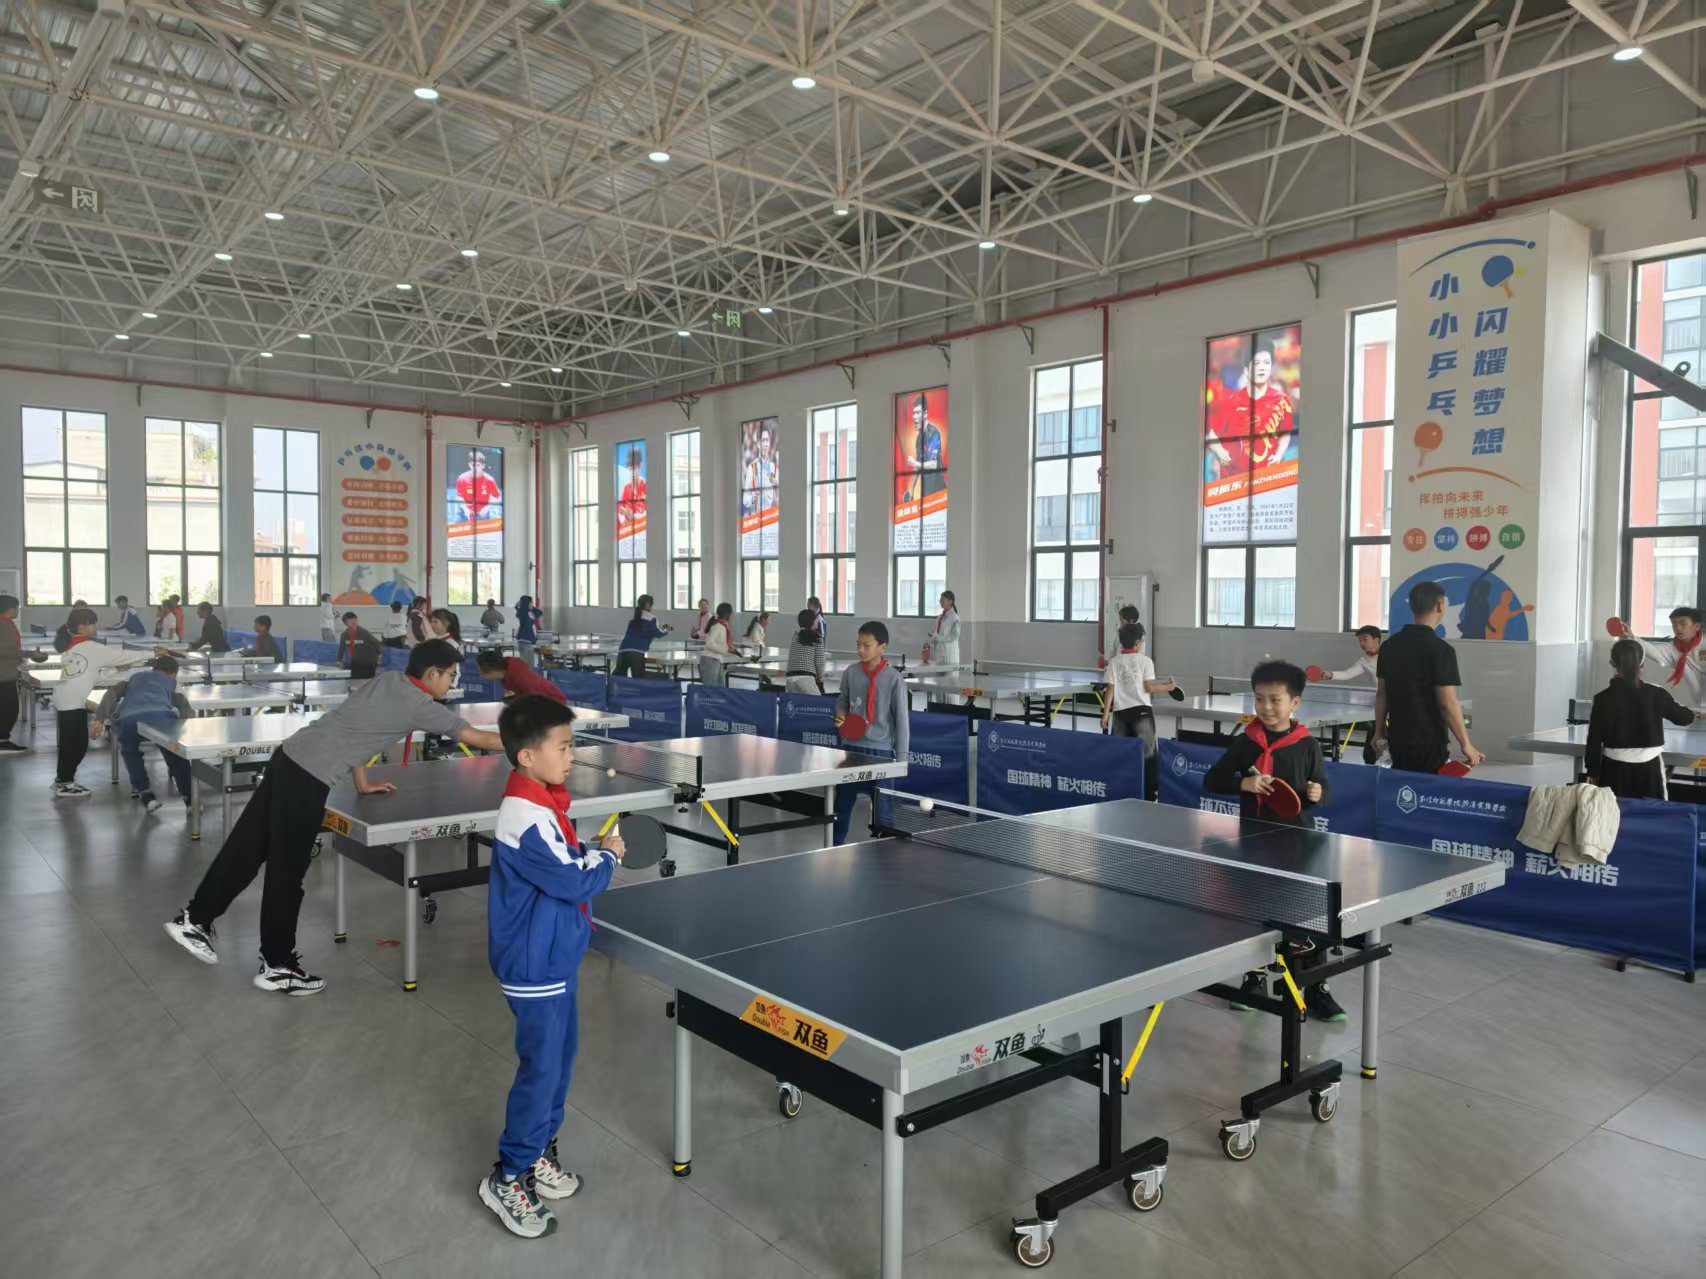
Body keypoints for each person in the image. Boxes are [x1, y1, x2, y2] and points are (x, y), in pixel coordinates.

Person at [163, 639, 503, 994]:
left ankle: (194, 919)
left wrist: (362, 782)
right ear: (432, 673)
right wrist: (527, 744)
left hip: (288, 758)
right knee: (287, 871)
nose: (451, 682)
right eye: (450, 675)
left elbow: (357, 729)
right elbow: (477, 737)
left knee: (247, 848)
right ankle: (277, 965)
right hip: (308, 777)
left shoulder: (387, 681)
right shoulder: (419, 704)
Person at [479, 695, 623, 1239]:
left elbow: (563, 857)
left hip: (555, 960)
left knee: (559, 1062)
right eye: (563, 747)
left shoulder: (544, 804)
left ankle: (538, 1150)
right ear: (527, 757)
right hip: (533, 966)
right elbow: (573, 880)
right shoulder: (525, 815)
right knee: (541, 1070)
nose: (571, 755)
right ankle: (509, 1175)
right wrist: (608, 856)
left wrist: (589, 846)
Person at [1203, 660, 1342, 1022]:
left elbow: (1323, 786)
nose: (1266, 707)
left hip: (1298, 844)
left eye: (1275, 700)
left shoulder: (1307, 745)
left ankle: (1315, 987)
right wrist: (1243, 783)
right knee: (1257, 913)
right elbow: (1212, 780)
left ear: (1295, 702)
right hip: (1254, 843)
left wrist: (1317, 792)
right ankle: (1255, 978)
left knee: (1305, 917)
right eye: (1259, 699)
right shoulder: (1246, 743)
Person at [1375, 581, 1484, 774]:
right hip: (1429, 742)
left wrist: (1378, 732)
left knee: (1403, 786)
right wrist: (1466, 744)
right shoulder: (1442, 650)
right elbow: (1447, 702)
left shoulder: (1388, 647)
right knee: (1427, 788)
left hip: (1398, 739)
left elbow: (1382, 694)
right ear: (1440, 606)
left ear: (1412, 607)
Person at [50, 607, 153, 799]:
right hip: (72, 700)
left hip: (67, 698)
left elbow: (94, 676)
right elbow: (121, 655)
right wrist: (152, 653)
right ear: (81, 627)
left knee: (72, 743)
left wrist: (116, 670)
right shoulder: (89, 647)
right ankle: (64, 783)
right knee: (75, 745)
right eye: (92, 624)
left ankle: (62, 780)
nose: (95, 627)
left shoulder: (73, 647)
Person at [1586, 638, 1696, 799]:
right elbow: (1684, 718)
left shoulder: (1602, 699)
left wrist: (1592, 771)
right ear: (1642, 664)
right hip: (1650, 770)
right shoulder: (1656, 694)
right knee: (1653, 812)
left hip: (1613, 770)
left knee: (1614, 812)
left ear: (1613, 663)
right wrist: (1692, 713)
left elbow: (1594, 740)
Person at [831, 622, 909, 845]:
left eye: (866, 645)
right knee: (842, 804)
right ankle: (835, 845)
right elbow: (842, 701)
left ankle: (885, 848)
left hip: (881, 753)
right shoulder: (851, 672)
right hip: (851, 751)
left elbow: (902, 721)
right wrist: (840, 715)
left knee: (883, 807)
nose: (860, 650)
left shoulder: (894, 679)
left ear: (882, 647)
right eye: (858, 645)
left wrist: (901, 760)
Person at [94, 655, 193, 811]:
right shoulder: (173, 684)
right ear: (175, 673)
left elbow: (112, 694)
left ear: (153, 668)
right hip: (161, 717)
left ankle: (145, 793)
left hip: (129, 718)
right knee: (176, 754)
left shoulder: (134, 677)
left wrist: (99, 719)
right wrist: (183, 733)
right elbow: (185, 708)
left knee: (130, 752)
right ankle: (190, 799)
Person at [1100, 623, 1175, 800]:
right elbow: (1149, 687)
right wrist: (1169, 687)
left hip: (1120, 714)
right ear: (1138, 643)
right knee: (1148, 755)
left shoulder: (1114, 662)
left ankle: (1121, 792)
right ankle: (1149, 795)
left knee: (1121, 754)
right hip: (1142, 714)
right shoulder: (1145, 661)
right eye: (1142, 640)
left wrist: (1105, 714)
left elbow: (1110, 689)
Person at [1206, 341, 1293, 481]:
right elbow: (1213, 436)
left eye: (1266, 363)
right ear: (1247, 369)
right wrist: (1220, 453)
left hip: (1269, 476)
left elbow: (1286, 432)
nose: (1262, 368)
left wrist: (1278, 455)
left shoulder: (1281, 399)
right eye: (1257, 363)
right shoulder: (1232, 401)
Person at [0, 594, 49, 757]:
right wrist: (30, 654)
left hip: (6, 672)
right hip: (3, 675)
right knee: (9, 709)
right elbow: (6, 650)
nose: (18, 610)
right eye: (17, 608)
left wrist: (22, 658)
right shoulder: (4, 624)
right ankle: (2, 741)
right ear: (11, 608)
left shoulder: (5, 623)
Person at [1627, 607, 1706, 707]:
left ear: (1697, 627)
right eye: (1674, 624)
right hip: (1696, 705)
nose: (1678, 628)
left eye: (1683, 624)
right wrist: (1632, 636)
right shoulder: (1672, 649)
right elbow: (1654, 651)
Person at [477, 649, 567, 704]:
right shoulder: (508, 674)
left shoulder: (521, 678)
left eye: (481, 670)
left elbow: (535, 701)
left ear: (492, 669)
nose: (480, 673)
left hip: (555, 703)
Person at [614, 595, 671, 678]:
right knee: (639, 677)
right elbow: (658, 633)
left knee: (619, 677)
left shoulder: (634, 618)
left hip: (623, 650)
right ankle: (665, 678)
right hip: (637, 651)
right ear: (648, 604)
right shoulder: (652, 618)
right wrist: (666, 630)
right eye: (652, 604)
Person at [784, 609, 826, 693]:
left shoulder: (795, 636)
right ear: (812, 622)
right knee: (817, 701)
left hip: (790, 677)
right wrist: (820, 680)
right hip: (806, 676)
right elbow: (819, 662)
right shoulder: (817, 638)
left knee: (795, 701)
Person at [699, 603, 735, 687]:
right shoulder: (718, 626)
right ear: (727, 614)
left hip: (717, 660)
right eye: (731, 613)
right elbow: (709, 643)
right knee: (711, 690)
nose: (732, 615)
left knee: (720, 688)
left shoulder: (722, 626)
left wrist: (738, 653)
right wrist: (724, 649)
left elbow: (724, 645)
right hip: (710, 660)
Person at [339, 612, 381, 680]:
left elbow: (377, 644)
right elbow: (341, 649)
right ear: (345, 623)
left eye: (355, 621)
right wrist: (339, 661)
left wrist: (378, 658)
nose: (353, 623)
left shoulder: (364, 633)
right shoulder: (344, 635)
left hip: (369, 663)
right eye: (350, 621)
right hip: (357, 662)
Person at [926, 590, 960, 667]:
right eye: (940, 600)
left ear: (950, 601)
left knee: (950, 675)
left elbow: (953, 637)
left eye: (942, 600)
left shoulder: (955, 618)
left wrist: (936, 636)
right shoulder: (940, 617)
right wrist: (932, 639)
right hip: (939, 654)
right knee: (938, 675)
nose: (940, 602)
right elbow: (938, 634)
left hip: (949, 655)